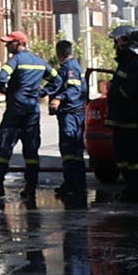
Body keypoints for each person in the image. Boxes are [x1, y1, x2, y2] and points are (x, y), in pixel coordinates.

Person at [0, 30, 58, 206]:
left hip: (14, 112)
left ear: (19, 43)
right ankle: (30, 187)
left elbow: (1, 77)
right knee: (31, 151)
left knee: (4, 148)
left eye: (9, 43)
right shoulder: (40, 62)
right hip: (31, 113)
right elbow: (57, 80)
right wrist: (42, 92)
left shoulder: (15, 60)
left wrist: (4, 89)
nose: (6, 46)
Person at [105, 23, 138, 202]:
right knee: (122, 156)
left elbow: (131, 89)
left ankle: (137, 190)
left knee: (135, 158)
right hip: (122, 119)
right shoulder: (127, 61)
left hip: (132, 119)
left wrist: (115, 89)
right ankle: (130, 188)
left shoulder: (137, 62)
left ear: (123, 42)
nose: (115, 46)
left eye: (116, 42)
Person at [47, 39, 89, 208]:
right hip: (71, 113)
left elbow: (73, 89)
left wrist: (58, 98)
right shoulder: (71, 66)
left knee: (70, 149)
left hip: (71, 114)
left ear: (59, 54)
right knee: (72, 150)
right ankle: (74, 183)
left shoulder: (70, 68)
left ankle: (73, 183)